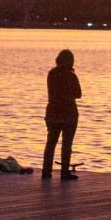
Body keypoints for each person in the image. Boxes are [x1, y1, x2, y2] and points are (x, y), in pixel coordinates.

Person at [43, 49, 82, 180]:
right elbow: (78, 94)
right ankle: (64, 172)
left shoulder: (51, 74)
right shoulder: (71, 76)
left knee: (51, 143)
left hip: (53, 113)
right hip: (69, 114)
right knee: (67, 144)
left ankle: (46, 171)